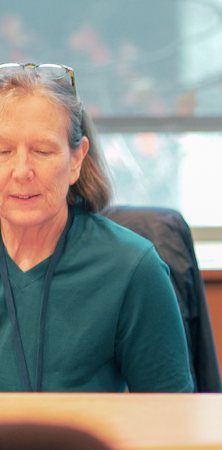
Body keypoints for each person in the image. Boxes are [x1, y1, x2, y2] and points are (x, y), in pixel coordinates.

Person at [0, 63, 193, 392]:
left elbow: (171, 420)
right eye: (3, 151)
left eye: (42, 151)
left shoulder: (131, 267)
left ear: (76, 160)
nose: (21, 171)